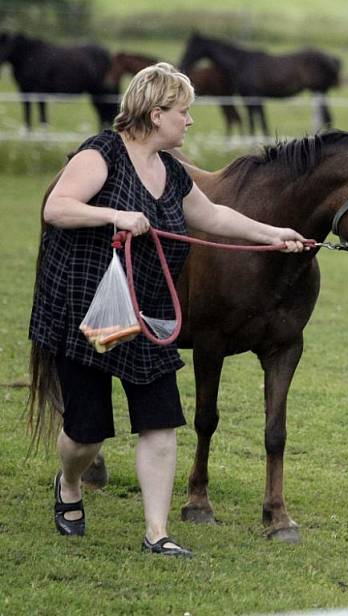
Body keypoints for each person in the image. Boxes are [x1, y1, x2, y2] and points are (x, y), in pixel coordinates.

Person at [28, 62, 308, 558]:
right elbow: (59, 208)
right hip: (91, 311)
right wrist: (115, 214)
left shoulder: (172, 172)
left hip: (148, 312)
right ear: (156, 114)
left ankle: (157, 533)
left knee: (160, 422)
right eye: (184, 112)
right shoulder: (102, 154)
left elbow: (215, 216)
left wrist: (274, 235)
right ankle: (69, 483)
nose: (190, 121)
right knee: (86, 435)